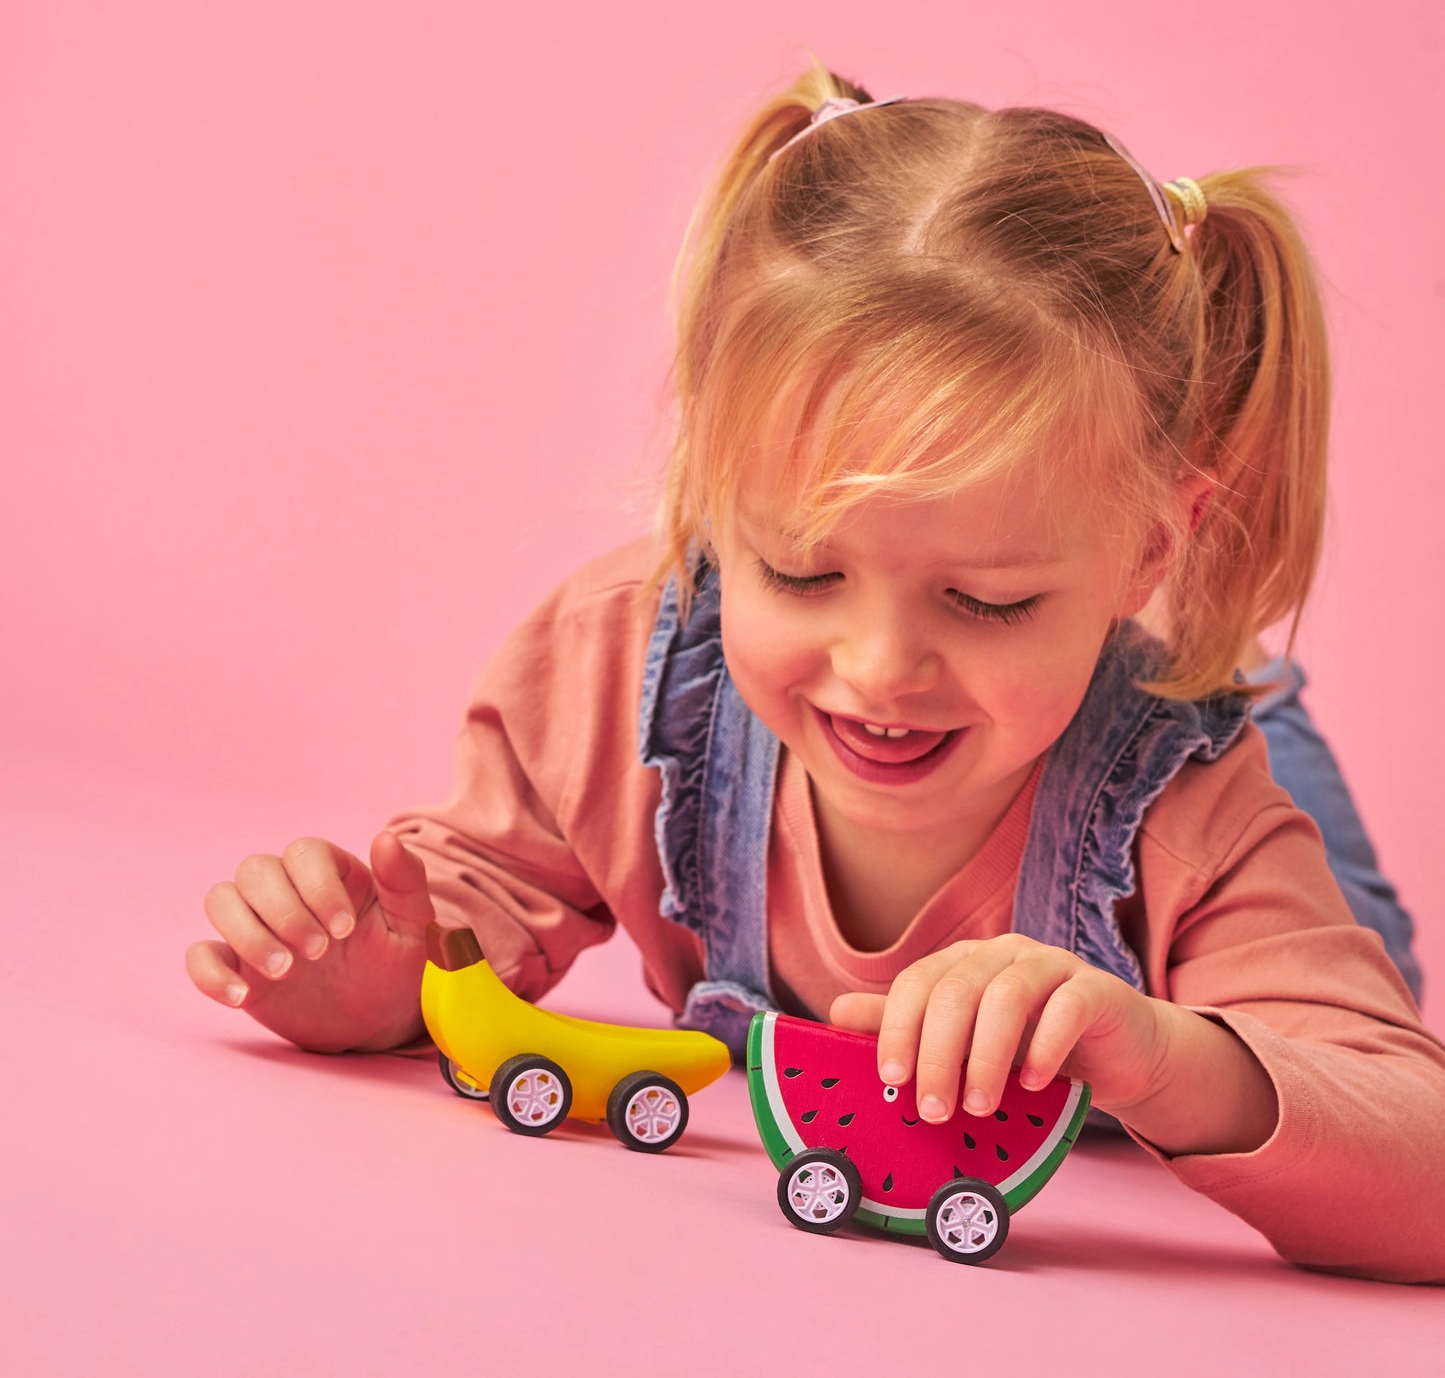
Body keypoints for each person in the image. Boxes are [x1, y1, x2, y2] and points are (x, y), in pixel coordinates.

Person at [185, 62, 1444, 1282]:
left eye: (985, 598)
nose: (879, 668)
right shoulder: (628, 668)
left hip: (1179, 753)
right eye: (798, 571)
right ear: (713, 495)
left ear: (1148, 548)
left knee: (1246, 733)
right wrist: (364, 977)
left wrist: (1170, 1054)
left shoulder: (1190, 809)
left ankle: (1240, 674)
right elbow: (462, 926)